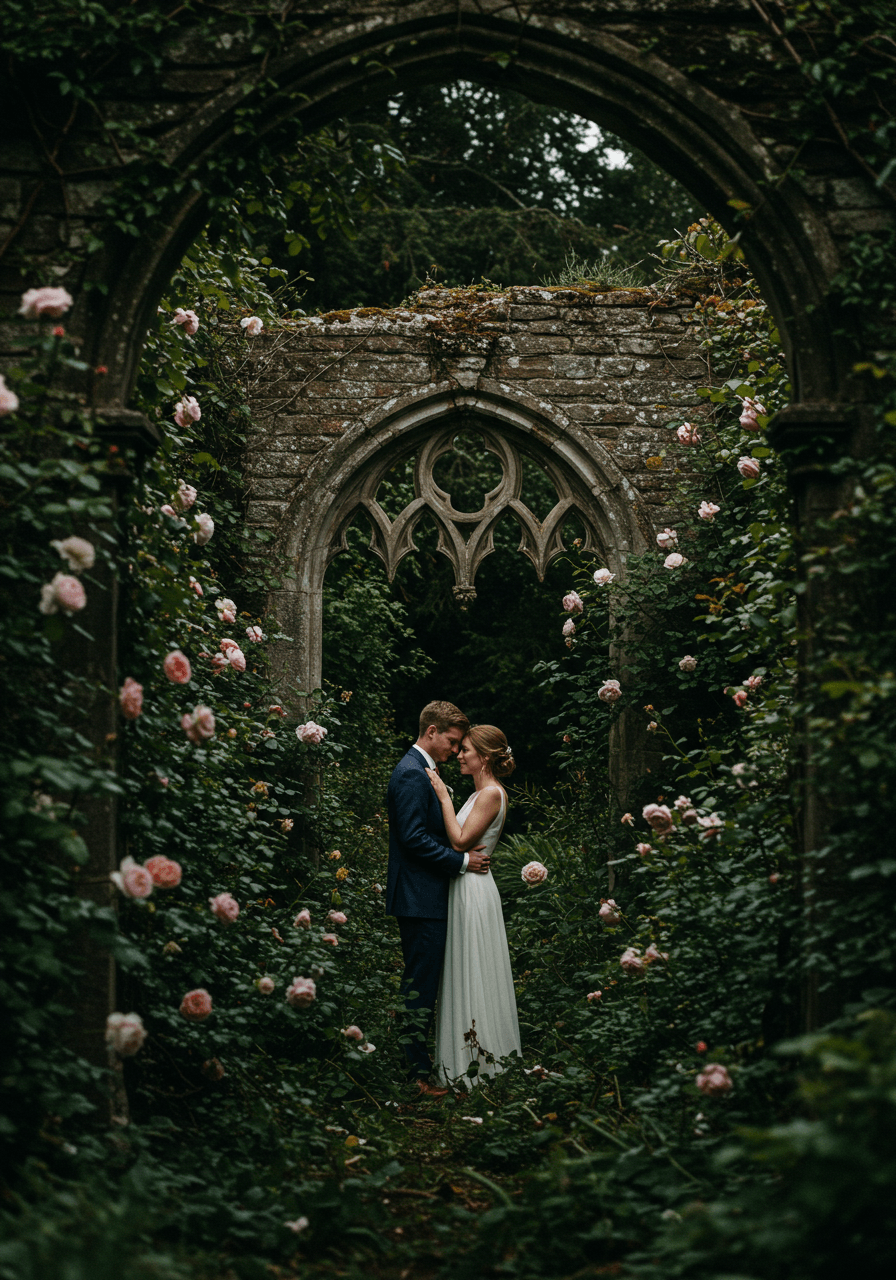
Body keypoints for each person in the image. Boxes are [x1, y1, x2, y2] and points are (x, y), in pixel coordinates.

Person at [386, 700, 491, 1096]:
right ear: (431, 732)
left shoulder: (423, 769)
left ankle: (418, 1063)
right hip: (418, 897)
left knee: (424, 982)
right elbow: (413, 839)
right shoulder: (412, 774)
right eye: (451, 741)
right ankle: (414, 1076)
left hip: (425, 895)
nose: (454, 749)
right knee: (419, 985)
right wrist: (461, 861)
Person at [426, 724, 521, 1088]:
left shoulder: (490, 794)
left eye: (466, 749)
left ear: (484, 756)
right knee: (464, 966)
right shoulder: (478, 794)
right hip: (465, 883)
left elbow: (461, 840)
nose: (460, 754)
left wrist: (443, 798)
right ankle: (464, 1062)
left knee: (474, 966)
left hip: (474, 890)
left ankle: (480, 1067)